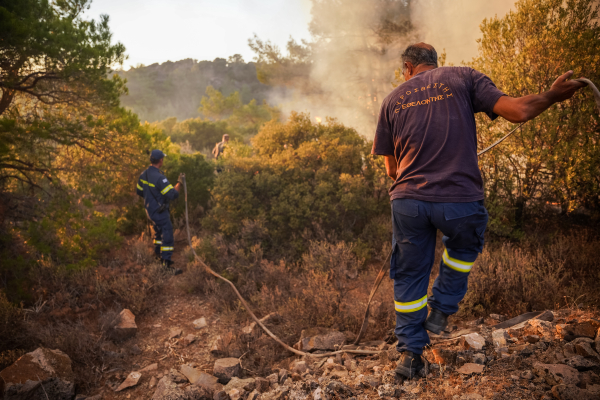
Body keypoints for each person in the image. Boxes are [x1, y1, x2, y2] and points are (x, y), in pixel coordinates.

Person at [371, 42, 585, 379]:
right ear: (435, 63)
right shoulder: (462, 77)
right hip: (459, 199)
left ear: (407, 68)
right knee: (463, 249)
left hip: (408, 202)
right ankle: (441, 309)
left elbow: (391, 170)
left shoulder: (392, 100)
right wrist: (552, 96)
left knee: (410, 276)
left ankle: (410, 358)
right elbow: (519, 111)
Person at [136, 149, 185, 275]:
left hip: (150, 211)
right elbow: (173, 194)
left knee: (158, 234)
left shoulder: (144, 174)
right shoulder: (160, 178)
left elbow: (139, 191)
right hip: (160, 212)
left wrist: (151, 200)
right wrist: (180, 182)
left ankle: (158, 257)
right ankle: (166, 265)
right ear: (161, 160)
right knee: (167, 237)